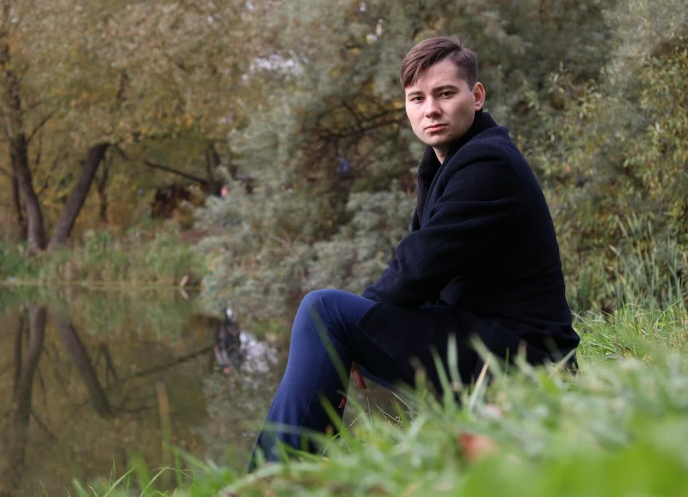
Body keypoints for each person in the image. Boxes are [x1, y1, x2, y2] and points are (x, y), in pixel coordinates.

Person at [248, 35, 580, 468]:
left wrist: (354, 333)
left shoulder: (487, 165)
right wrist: (355, 339)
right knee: (330, 319)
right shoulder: (446, 161)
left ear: (476, 96)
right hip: (490, 341)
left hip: (527, 361)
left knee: (324, 311)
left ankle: (272, 475)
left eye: (445, 93)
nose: (431, 109)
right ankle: (279, 472)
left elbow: (418, 267)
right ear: (406, 106)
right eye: (417, 98)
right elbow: (424, 281)